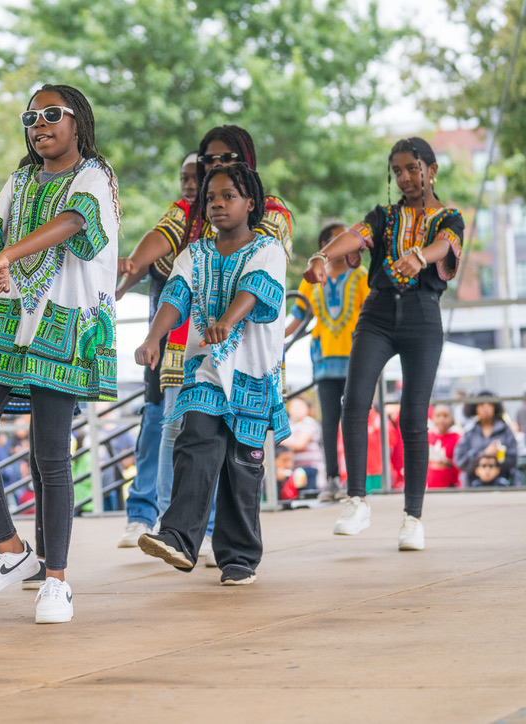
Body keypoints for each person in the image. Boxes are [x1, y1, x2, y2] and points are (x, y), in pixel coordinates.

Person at [0, 84, 120, 624]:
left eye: (51, 115)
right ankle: (9, 549)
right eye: (31, 117)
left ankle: (57, 581)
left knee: (51, 455)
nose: (38, 124)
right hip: (12, 317)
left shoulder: (95, 176)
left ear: (78, 122)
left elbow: (73, 225)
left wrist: (4, 257)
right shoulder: (20, 180)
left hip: (67, 320)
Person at [141, 126, 294, 567]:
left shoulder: (269, 249)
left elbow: (255, 289)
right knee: (195, 441)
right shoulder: (195, 252)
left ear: (251, 203)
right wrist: (153, 337)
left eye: (228, 196)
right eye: (211, 199)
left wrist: (227, 321)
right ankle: (178, 538)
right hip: (206, 369)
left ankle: (239, 558)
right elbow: (175, 295)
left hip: (252, 375)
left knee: (240, 469)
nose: (218, 204)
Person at [303, 137, 464, 551]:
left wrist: (421, 256)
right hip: (377, 314)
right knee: (353, 402)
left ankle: (413, 518)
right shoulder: (384, 216)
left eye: (412, 168)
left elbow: (445, 245)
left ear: (432, 169)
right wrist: (322, 256)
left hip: (423, 316)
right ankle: (356, 500)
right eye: (397, 171)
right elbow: (355, 237)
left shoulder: (449, 218)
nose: (405, 177)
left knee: (413, 417)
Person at [115, 152, 198, 548]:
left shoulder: (217, 229)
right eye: (184, 176)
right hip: (162, 349)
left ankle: (183, 521)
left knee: (183, 431)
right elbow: (141, 263)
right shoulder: (176, 218)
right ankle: (142, 514)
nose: (189, 184)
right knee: (155, 428)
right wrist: (121, 284)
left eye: (196, 176)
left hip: (203, 347)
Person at [287, 222, 369, 502]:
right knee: (330, 422)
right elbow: (298, 316)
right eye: (339, 240)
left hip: (357, 359)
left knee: (354, 420)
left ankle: (356, 482)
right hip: (323, 361)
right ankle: (332, 480)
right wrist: (275, 339)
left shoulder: (361, 277)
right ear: (326, 248)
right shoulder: (311, 278)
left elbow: (371, 321)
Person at [453, 391, 519, 486]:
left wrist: (498, 457)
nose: (485, 408)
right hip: (474, 485)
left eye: (490, 404)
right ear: (475, 408)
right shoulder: (470, 432)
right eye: (481, 404)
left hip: (502, 484)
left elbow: (514, 458)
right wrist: (483, 453)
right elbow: (460, 461)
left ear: (495, 407)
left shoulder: (505, 430)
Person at [286, 397, 325, 494]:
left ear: (307, 409)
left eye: (299, 406)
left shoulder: (309, 422)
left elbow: (301, 444)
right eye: (293, 406)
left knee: (310, 492)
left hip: (311, 466)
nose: (296, 409)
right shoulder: (289, 424)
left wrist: (282, 441)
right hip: (295, 466)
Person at [426, 404, 461, 489]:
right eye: (438, 416)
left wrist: (448, 463)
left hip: (450, 485)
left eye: (445, 416)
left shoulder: (457, 438)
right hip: (431, 485)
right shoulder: (429, 436)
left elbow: (460, 463)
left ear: (452, 418)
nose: (441, 420)